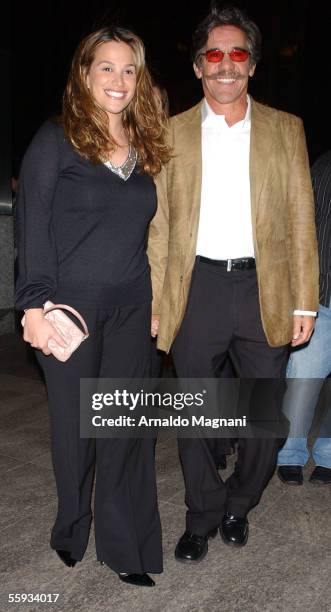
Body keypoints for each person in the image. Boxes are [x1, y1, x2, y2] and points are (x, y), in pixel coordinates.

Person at [148, 3, 318, 564]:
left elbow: (300, 218)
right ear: (198, 66)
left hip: (262, 291)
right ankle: (201, 515)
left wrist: (306, 302)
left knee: (265, 421)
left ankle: (239, 504)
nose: (226, 64)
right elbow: (160, 226)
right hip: (195, 288)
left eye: (237, 53)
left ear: (252, 64)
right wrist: (157, 300)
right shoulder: (170, 134)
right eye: (214, 54)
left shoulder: (284, 128)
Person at [15, 26, 170, 587]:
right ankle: (71, 529)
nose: (118, 80)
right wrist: (32, 307)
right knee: (76, 435)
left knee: (127, 431)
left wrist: (155, 304)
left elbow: (150, 235)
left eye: (129, 69)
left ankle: (127, 546)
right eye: (106, 67)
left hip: (132, 310)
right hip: (68, 313)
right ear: (84, 74)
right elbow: (32, 228)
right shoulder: (55, 140)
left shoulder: (147, 147)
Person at [277, 150, 331, 486]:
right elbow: (301, 230)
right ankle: (289, 452)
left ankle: (328, 454)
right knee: (302, 380)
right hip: (320, 296)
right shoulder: (323, 167)